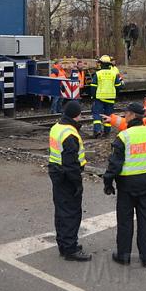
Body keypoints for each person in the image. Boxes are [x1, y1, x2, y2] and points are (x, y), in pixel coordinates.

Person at [102, 102, 146, 267]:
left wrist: (108, 182)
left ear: (131, 115)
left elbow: (114, 164)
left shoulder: (124, 137)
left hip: (127, 186)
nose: (125, 116)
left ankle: (123, 256)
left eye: (126, 113)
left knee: (125, 221)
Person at [48, 101, 92, 262]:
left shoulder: (57, 127)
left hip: (57, 173)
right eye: (80, 114)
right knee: (71, 213)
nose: (81, 117)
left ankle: (64, 245)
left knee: (61, 212)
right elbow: (71, 164)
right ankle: (70, 249)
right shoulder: (69, 134)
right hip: (67, 177)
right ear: (75, 115)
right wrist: (77, 184)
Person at [88, 55, 123, 138]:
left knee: (97, 114)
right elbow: (118, 86)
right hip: (110, 98)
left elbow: (93, 86)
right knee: (108, 115)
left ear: (101, 64)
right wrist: (115, 95)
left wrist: (93, 96)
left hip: (99, 98)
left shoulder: (98, 74)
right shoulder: (114, 74)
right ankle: (107, 132)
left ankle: (97, 130)